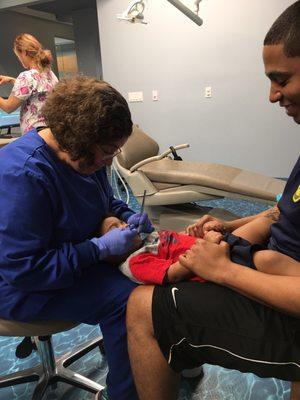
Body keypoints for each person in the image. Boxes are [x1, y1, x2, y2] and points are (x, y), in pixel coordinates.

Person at [126, 2, 300, 399]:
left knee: (141, 306)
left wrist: (225, 272)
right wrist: (231, 227)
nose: (272, 95)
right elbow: (281, 211)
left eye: (281, 79)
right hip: (266, 271)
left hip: (287, 306)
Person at [0, 75, 154, 400]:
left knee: (148, 271)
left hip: (65, 259)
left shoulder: (85, 154)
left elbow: (102, 200)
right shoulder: (23, 175)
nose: (109, 161)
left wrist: (125, 214)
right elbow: (26, 269)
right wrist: (97, 250)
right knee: (129, 303)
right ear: (77, 139)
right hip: (20, 285)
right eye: (108, 152)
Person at [100, 213, 299, 285]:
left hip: (216, 244)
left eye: (121, 222)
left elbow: (176, 243)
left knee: (264, 222)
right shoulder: (135, 262)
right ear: (107, 252)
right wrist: (209, 244)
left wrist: (202, 234)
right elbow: (174, 273)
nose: (124, 226)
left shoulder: (146, 241)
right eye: (114, 229)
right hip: (216, 261)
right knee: (269, 259)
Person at [0, 33, 58, 134]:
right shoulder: (50, 74)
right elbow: (36, 88)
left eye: (18, 56)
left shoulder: (26, 76)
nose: (19, 60)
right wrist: (11, 80)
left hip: (34, 136)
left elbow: (8, 107)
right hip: (50, 133)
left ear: (24, 52)